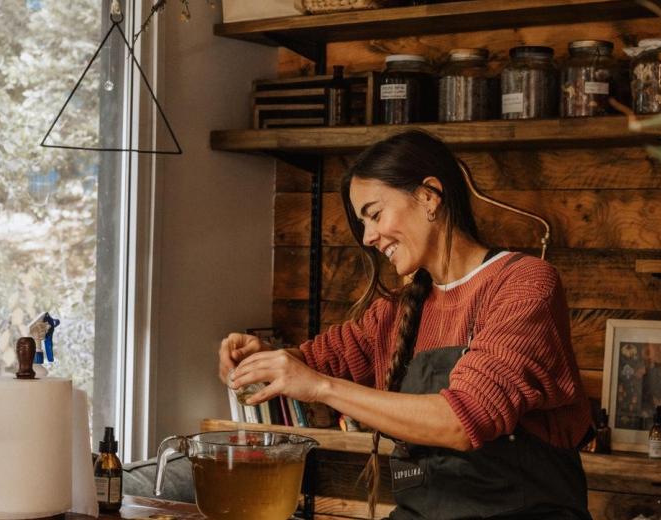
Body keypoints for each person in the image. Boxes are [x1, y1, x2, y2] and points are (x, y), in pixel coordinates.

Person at [219, 130, 593, 519]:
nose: (368, 237)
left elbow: (462, 422)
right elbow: (314, 362)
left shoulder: (524, 283)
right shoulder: (396, 312)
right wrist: (259, 360)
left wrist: (321, 387)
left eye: (375, 214)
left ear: (429, 195)